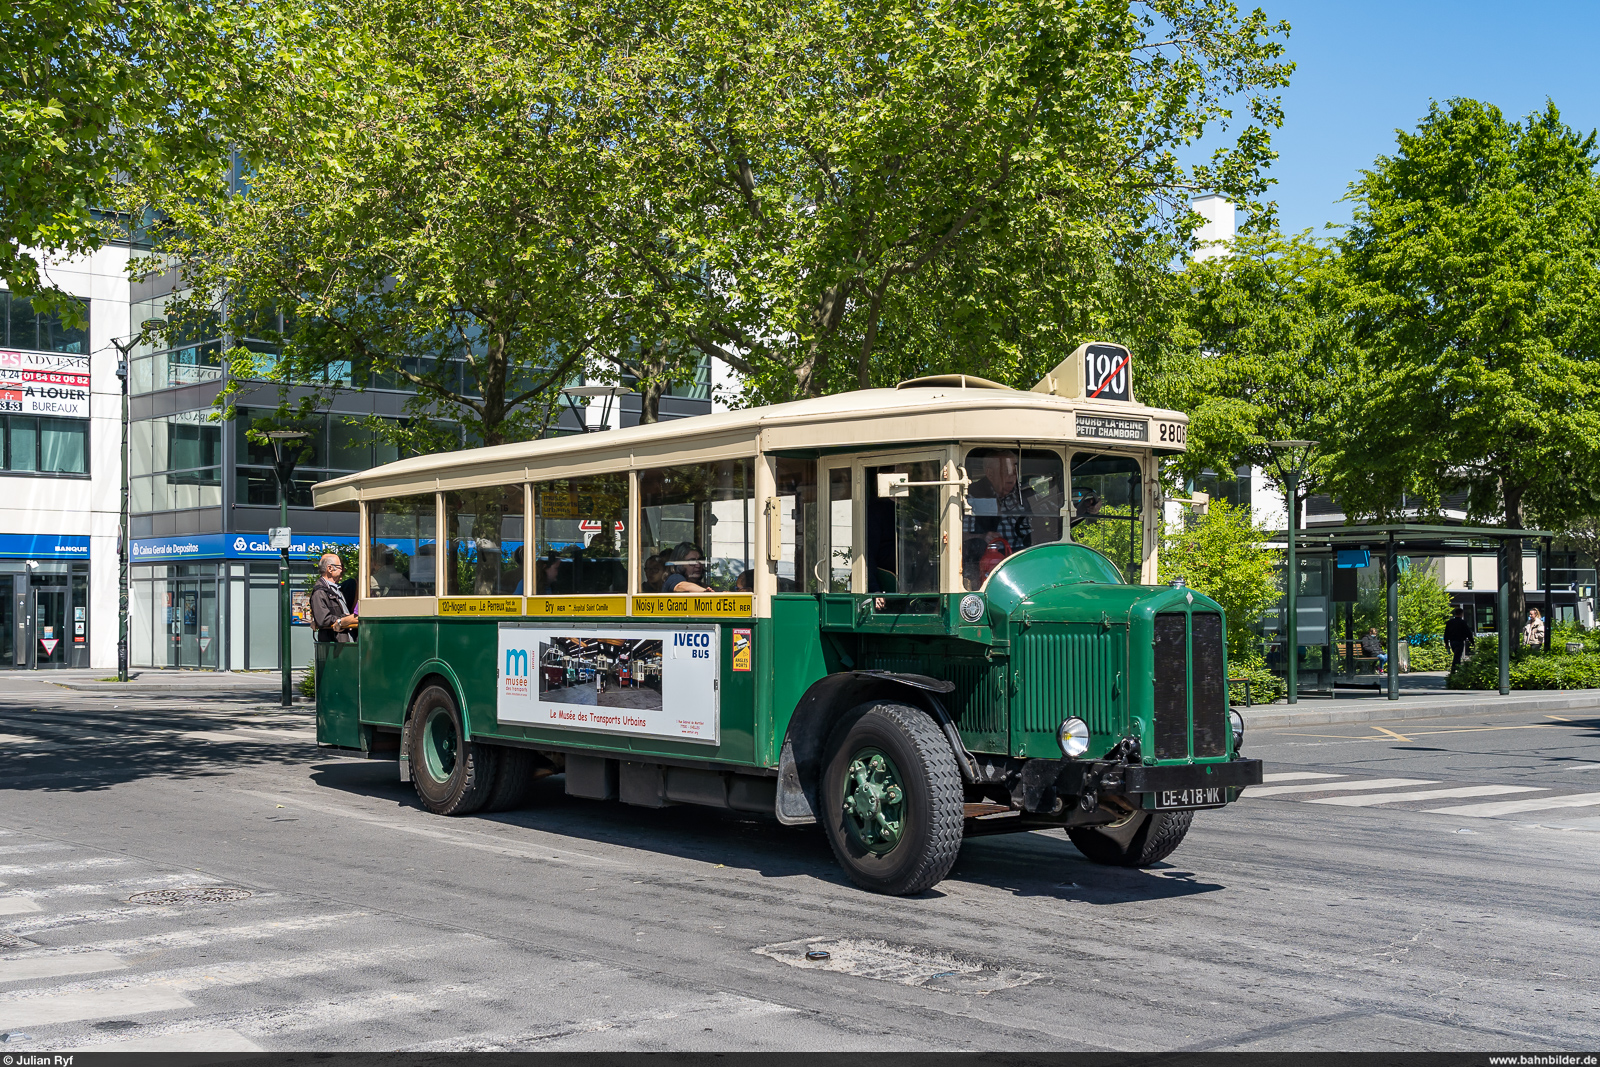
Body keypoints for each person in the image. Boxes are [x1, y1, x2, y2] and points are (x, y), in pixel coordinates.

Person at [962, 451, 1037, 588]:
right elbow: (956, 537)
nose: (1013, 477)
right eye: (1007, 471)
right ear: (990, 473)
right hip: (986, 570)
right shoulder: (971, 496)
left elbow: (1043, 524)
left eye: (1015, 471)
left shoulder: (1022, 497)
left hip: (1024, 565)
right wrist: (982, 536)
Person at [310, 553, 358, 643]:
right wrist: (345, 619)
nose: (343, 570)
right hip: (334, 644)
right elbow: (323, 620)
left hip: (343, 641)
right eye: (340, 567)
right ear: (330, 568)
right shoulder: (320, 592)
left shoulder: (336, 589)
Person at [1443, 606, 1474, 672]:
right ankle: (1453, 671)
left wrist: (1446, 643)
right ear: (1461, 614)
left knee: (1457, 655)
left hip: (1452, 642)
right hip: (1460, 641)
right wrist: (1472, 642)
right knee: (1457, 656)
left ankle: (1458, 670)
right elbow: (1468, 633)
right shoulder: (1463, 622)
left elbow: (1446, 633)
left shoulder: (1450, 622)